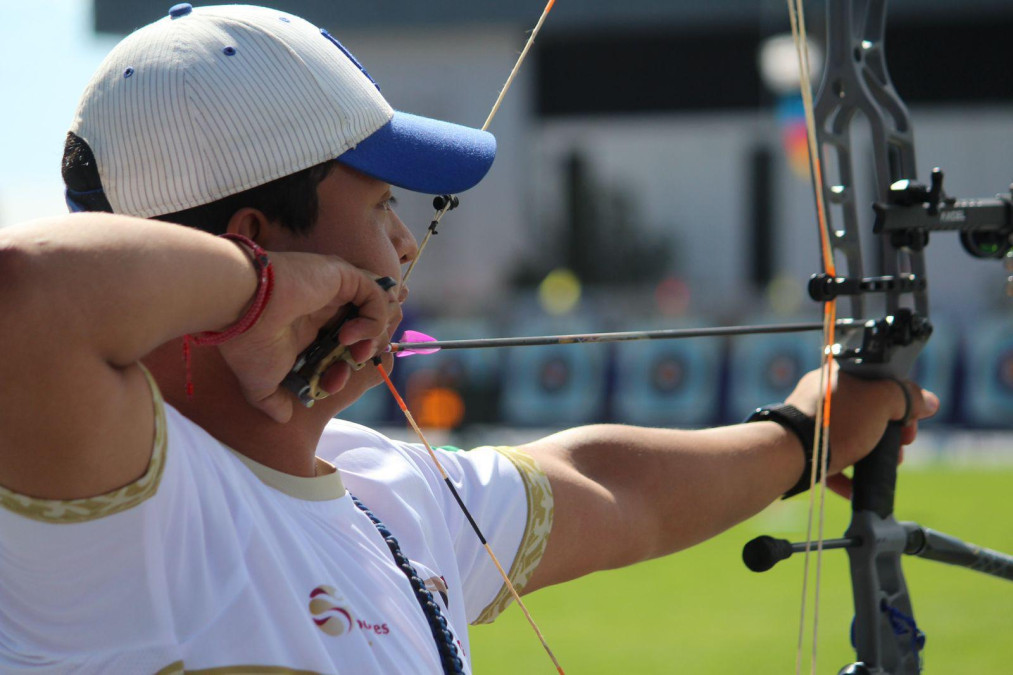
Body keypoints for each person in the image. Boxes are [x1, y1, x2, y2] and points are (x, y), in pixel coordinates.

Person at [0, 4, 938, 674]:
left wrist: (805, 432)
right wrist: (258, 295)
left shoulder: (387, 494)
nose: (407, 243)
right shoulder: (116, 497)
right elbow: (25, 290)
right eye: (378, 204)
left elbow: (612, 489)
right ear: (256, 243)